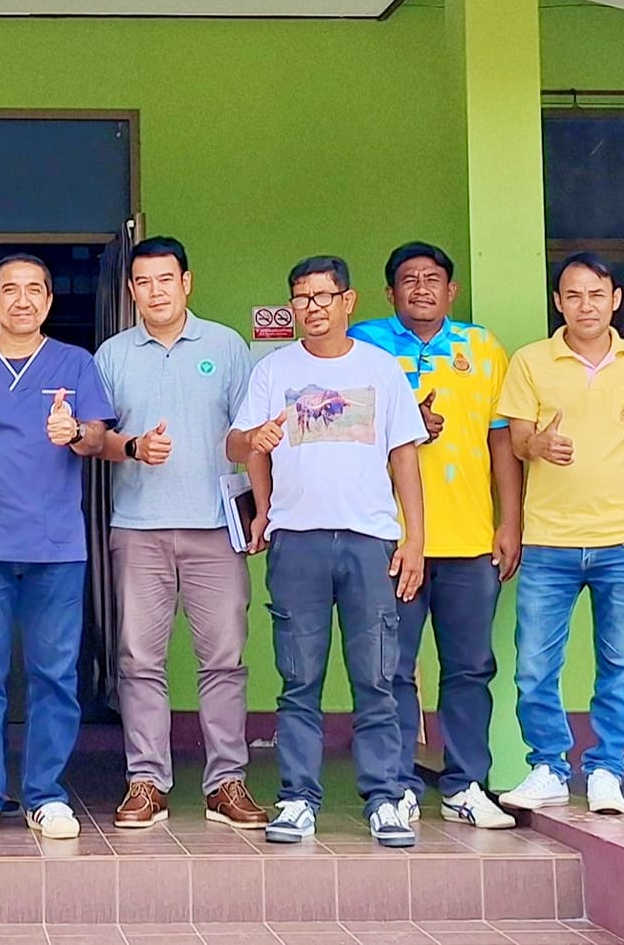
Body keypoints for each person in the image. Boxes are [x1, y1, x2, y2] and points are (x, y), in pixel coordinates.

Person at [229, 255, 426, 849]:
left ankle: (384, 798)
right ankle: (297, 799)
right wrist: (256, 451)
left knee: (377, 678)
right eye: (301, 298)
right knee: (298, 679)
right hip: (297, 542)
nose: (311, 308)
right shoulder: (273, 370)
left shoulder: (381, 369)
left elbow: (404, 456)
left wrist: (415, 539)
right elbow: (239, 444)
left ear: (348, 301)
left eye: (322, 296)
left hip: (370, 542)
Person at [496, 252, 624, 818]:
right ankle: (548, 768)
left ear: (615, 300)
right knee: (534, 666)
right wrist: (537, 445)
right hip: (548, 542)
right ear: (558, 302)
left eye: (596, 294)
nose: (586, 305)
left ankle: (606, 771)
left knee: (621, 663)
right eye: (574, 295)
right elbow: (516, 440)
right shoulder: (531, 362)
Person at [0, 254, 113, 842]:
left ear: (49, 300)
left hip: (56, 547)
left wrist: (75, 432)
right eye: (9, 290)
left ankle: (45, 794)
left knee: (54, 676)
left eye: (35, 289)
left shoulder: (75, 363)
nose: (22, 300)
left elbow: (98, 437)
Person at [91, 236, 267, 831]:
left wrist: (261, 509)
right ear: (131, 290)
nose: (155, 291)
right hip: (138, 529)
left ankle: (227, 783)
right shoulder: (113, 355)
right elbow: (95, 438)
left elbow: (250, 437)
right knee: (139, 660)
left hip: (215, 528)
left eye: (166, 279)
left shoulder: (226, 345)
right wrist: (133, 447)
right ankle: (146, 783)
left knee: (224, 659)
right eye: (143, 282)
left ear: (186, 283)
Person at [347, 243, 521, 831]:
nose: (421, 288)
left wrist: (509, 521)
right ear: (389, 293)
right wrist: (403, 424)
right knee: (390, 670)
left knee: (470, 668)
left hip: (470, 539)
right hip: (389, 538)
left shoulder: (483, 348)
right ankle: (394, 786)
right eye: (408, 279)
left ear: (452, 291)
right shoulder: (365, 345)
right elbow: (341, 427)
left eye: (432, 279)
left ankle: (465, 784)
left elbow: (501, 439)